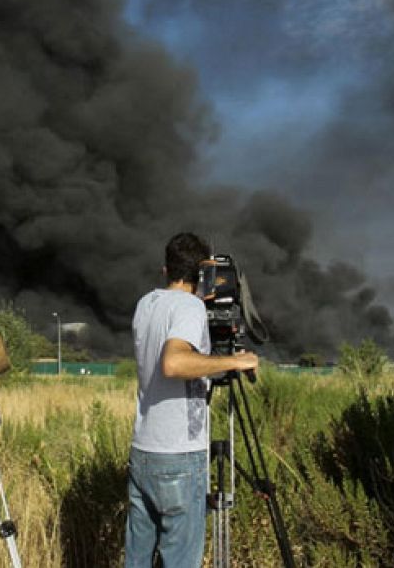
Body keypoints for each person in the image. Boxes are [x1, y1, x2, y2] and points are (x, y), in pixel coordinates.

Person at [125, 232, 260, 568]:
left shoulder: (147, 303)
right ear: (204, 272)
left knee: (138, 559)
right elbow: (174, 362)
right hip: (178, 456)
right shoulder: (189, 307)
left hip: (144, 451)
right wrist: (234, 360)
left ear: (165, 269)